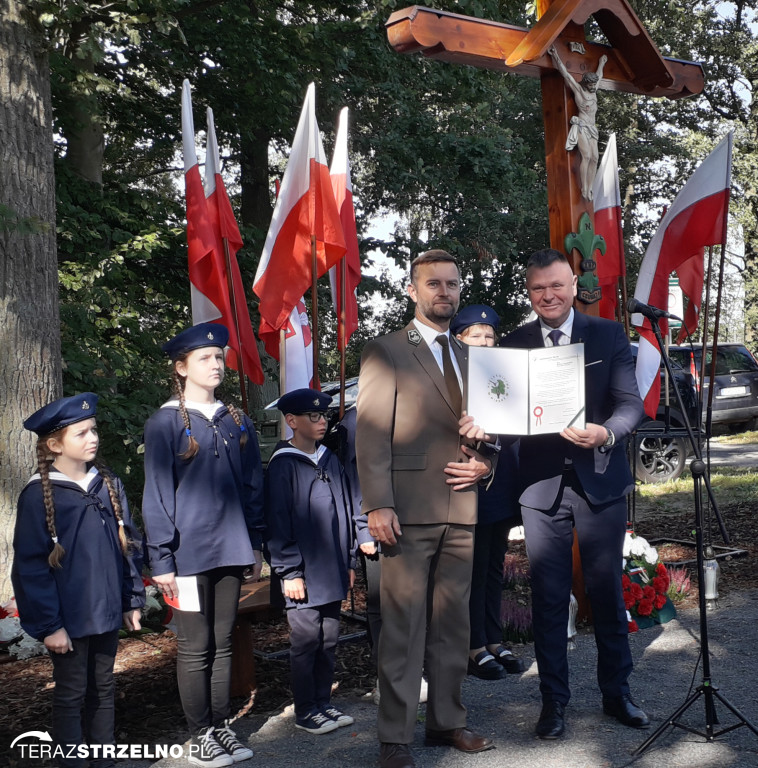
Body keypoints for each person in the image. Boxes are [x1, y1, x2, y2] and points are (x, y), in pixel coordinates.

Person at [356, 249, 497, 768]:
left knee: (452, 626)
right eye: (433, 284)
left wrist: (485, 464)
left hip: (462, 504)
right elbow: (370, 436)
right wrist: (378, 505)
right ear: (413, 291)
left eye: (452, 284)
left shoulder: (473, 359)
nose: (445, 292)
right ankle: (395, 737)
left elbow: (491, 430)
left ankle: (447, 722)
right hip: (406, 510)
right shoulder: (386, 350)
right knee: (403, 626)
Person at [500, 248, 647, 739]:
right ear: (529, 292)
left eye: (557, 285)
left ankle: (617, 694)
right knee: (547, 598)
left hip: (599, 479)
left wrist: (605, 433)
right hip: (540, 488)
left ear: (572, 286)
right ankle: (554, 703)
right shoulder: (513, 345)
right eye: (539, 288)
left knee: (605, 591)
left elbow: (630, 404)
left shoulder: (606, 333)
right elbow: (500, 416)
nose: (549, 295)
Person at [142, 323, 264, 768]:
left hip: (231, 548)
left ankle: (220, 726)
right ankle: (199, 735)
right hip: (186, 555)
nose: (216, 364)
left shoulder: (236, 419)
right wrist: (161, 560)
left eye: (219, 357)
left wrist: (254, 544)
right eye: (205, 358)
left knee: (224, 641)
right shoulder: (165, 422)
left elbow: (253, 486)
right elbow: (155, 493)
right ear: (181, 367)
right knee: (195, 647)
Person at [12, 393, 145, 767]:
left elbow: (128, 546)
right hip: (67, 620)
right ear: (54, 444)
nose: (93, 437)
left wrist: (132, 600)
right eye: (81, 432)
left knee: (103, 688)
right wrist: (49, 625)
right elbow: (30, 568)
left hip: (104, 611)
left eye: (94, 429)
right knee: (71, 693)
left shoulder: (107, 483)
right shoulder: (38, 495)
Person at [265, 388, 357, 735]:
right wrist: (288, 570)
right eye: (314, 417)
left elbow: (346, 510)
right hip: (301, 573)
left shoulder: (328, 458)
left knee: (329, 638)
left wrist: (349, 561)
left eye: (325, 416)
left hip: (332, 567)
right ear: (291, 421)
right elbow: (277, 521)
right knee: (306, 641)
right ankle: (306, 710)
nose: (323, 422)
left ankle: (323, 703)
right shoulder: (284, 463)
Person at [450, 305, 524, 681]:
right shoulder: (452, 375)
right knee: (474, 568)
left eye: (489, 336)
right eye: (476, 335)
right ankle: (473, 645)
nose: (484, 341)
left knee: (496, 564)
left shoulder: (502, 373)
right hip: (469, 481)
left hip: (501, 479)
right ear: (459, 339)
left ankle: (495, 638)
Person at [548, 46, 607, 201]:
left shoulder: (594, 89)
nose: (594, 87)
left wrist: (601, 63)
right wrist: (556, 55)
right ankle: (584, 188)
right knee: (586, 156)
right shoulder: (580, 92)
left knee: (595, 158)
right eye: (592, 85)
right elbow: (566, 75)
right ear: (586, 84)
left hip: (593, 128)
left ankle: (590, 187)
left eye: (595, 85)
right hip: (582, 126)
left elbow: (599, 75)